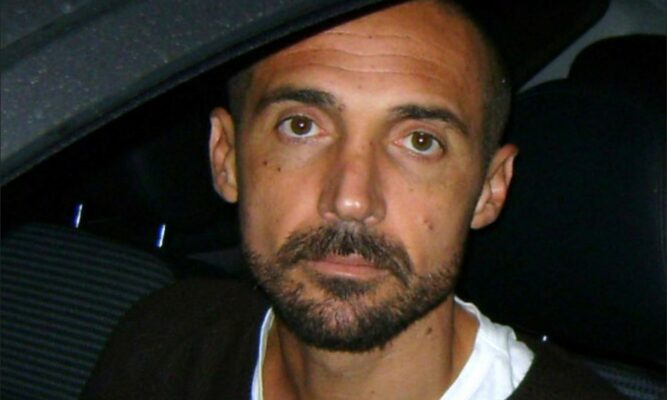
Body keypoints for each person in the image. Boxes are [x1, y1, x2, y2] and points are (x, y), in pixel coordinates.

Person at [82, 0, 627, 398]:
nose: (351, 200)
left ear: (490, 189)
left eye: (420, 141)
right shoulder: (162, 345)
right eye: (301, 126)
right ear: (225, 158)